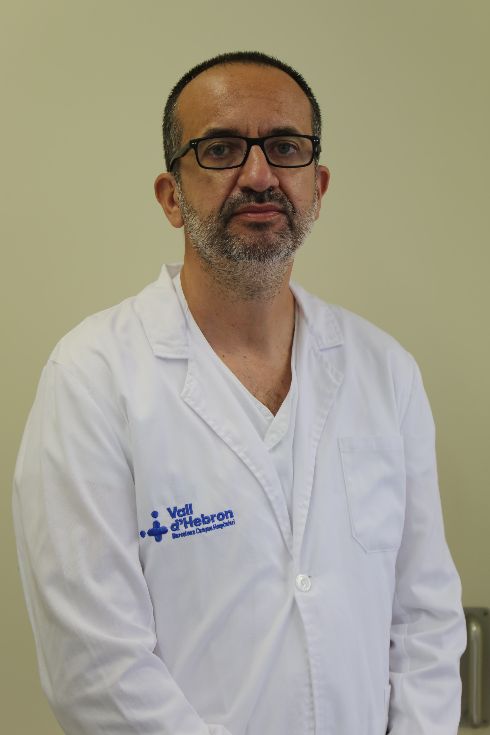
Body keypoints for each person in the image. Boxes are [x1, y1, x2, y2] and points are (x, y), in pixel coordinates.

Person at [13, 51, 466, 735]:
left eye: (285, 147)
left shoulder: (385, 371)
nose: (259, 176)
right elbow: (96, 668)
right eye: (221, 149)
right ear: (171, 196)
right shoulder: (91, 376)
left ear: (318, 186)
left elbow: (426, 620)